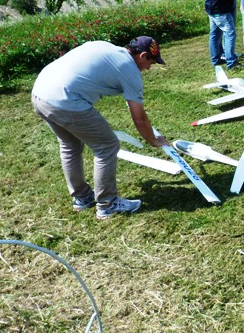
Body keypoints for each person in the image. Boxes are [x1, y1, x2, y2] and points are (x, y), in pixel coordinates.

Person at [31, 37, 170, 220]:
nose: (149, 67)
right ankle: (108, 205)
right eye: (150, 62)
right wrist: (153, 140)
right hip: (66, 101)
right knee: (107, 146)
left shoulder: (104, 46)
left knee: (70, 145)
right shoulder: (129, 69)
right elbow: (139, 118)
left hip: (40, 94)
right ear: (143, 55)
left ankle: (82, 198)